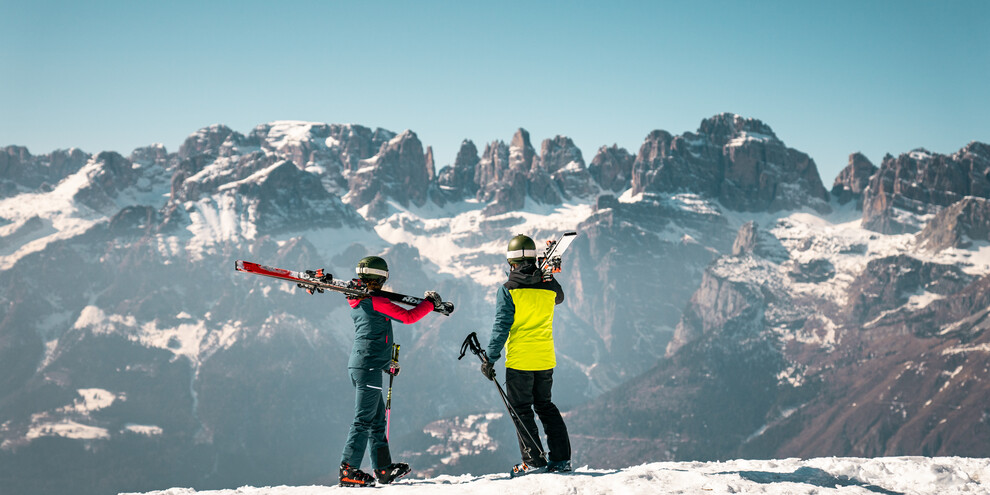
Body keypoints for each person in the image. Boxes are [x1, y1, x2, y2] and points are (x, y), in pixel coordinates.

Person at [338, 255, 444, 487]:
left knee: (376, 421)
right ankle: (348, 470)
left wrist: (386, 363)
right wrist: (430, 303)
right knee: (363, 420)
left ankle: (383, 469)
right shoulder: (375, 301)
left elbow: (372, 335)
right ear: (381, 277)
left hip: (365, 365)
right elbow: (408, 317)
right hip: (368, 367)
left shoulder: (359, 301)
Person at [482, 234, 572, 476]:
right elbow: (560, 298)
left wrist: (490, 359)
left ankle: (533, 461)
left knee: (521, 410)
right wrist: (548, 277)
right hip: (544, 359)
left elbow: (501, 326)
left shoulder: (508, 289)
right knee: (546, 406)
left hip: (520, 361)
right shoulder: (549, 286)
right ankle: (561, 459)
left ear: (510, 263)